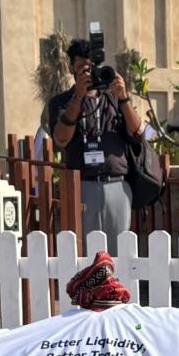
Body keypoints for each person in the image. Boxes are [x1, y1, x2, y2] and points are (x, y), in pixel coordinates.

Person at [44, 37, 147, 249]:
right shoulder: (61, 102)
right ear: (70, 67)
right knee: (86, 256)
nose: (88, 73)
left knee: (119, 255)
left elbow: (137, 132)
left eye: (90, 67)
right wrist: (78, 97)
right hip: (82, 185)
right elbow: (61, 138)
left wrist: (123, 97)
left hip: (117, 185)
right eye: (81, 67)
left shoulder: (112, 99)